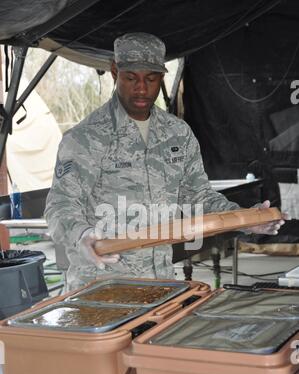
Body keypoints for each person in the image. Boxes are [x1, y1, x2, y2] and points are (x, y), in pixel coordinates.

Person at [45, 32, 285, 290]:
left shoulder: (177, 133)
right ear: (115, 72)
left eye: (150, 78)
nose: (141, 88)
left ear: (161, 76)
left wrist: (246, 220)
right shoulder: (86, 137)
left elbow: (198, 197)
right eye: (131, 78)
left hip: (159, 285)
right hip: (101, 287)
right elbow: (61, 204)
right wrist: (81, 236)